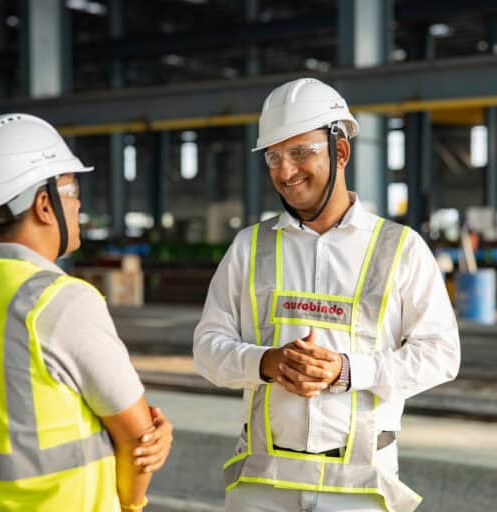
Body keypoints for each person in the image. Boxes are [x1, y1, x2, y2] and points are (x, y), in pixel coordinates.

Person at [193, 78, 460, 512]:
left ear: (340, 152)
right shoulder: (249, 247)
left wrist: (348, 370)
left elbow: (442, 354)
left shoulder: (400, 248)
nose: (284, 171)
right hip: (264, 484)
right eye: (274, 157)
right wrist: (267, 362)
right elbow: (207, 349)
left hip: (360, 488)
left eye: (301, 153)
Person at [0, 113, 172, 511]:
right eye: (71, 190)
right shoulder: (62, 301)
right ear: (44, 204)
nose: (77, 205)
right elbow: (140, 439)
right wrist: (130, 504)